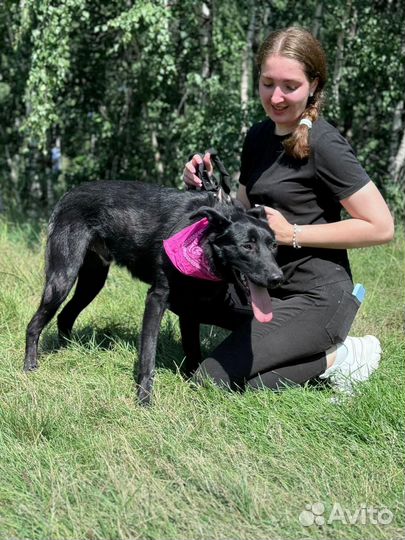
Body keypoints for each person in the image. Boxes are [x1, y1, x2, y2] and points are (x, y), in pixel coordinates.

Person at [183, 26, 394, 394]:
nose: (276, 97)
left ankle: (345, 356)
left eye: (290, 86)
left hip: (317, 296)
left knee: (212, 380)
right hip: (268, 287)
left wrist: (292, 234)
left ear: (313, 85)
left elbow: (381, 226)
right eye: (268, 83)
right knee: (181, 294)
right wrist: (202, 187)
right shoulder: (259, 136)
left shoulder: (324, 144)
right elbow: (243, 212)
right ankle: (287, 347)